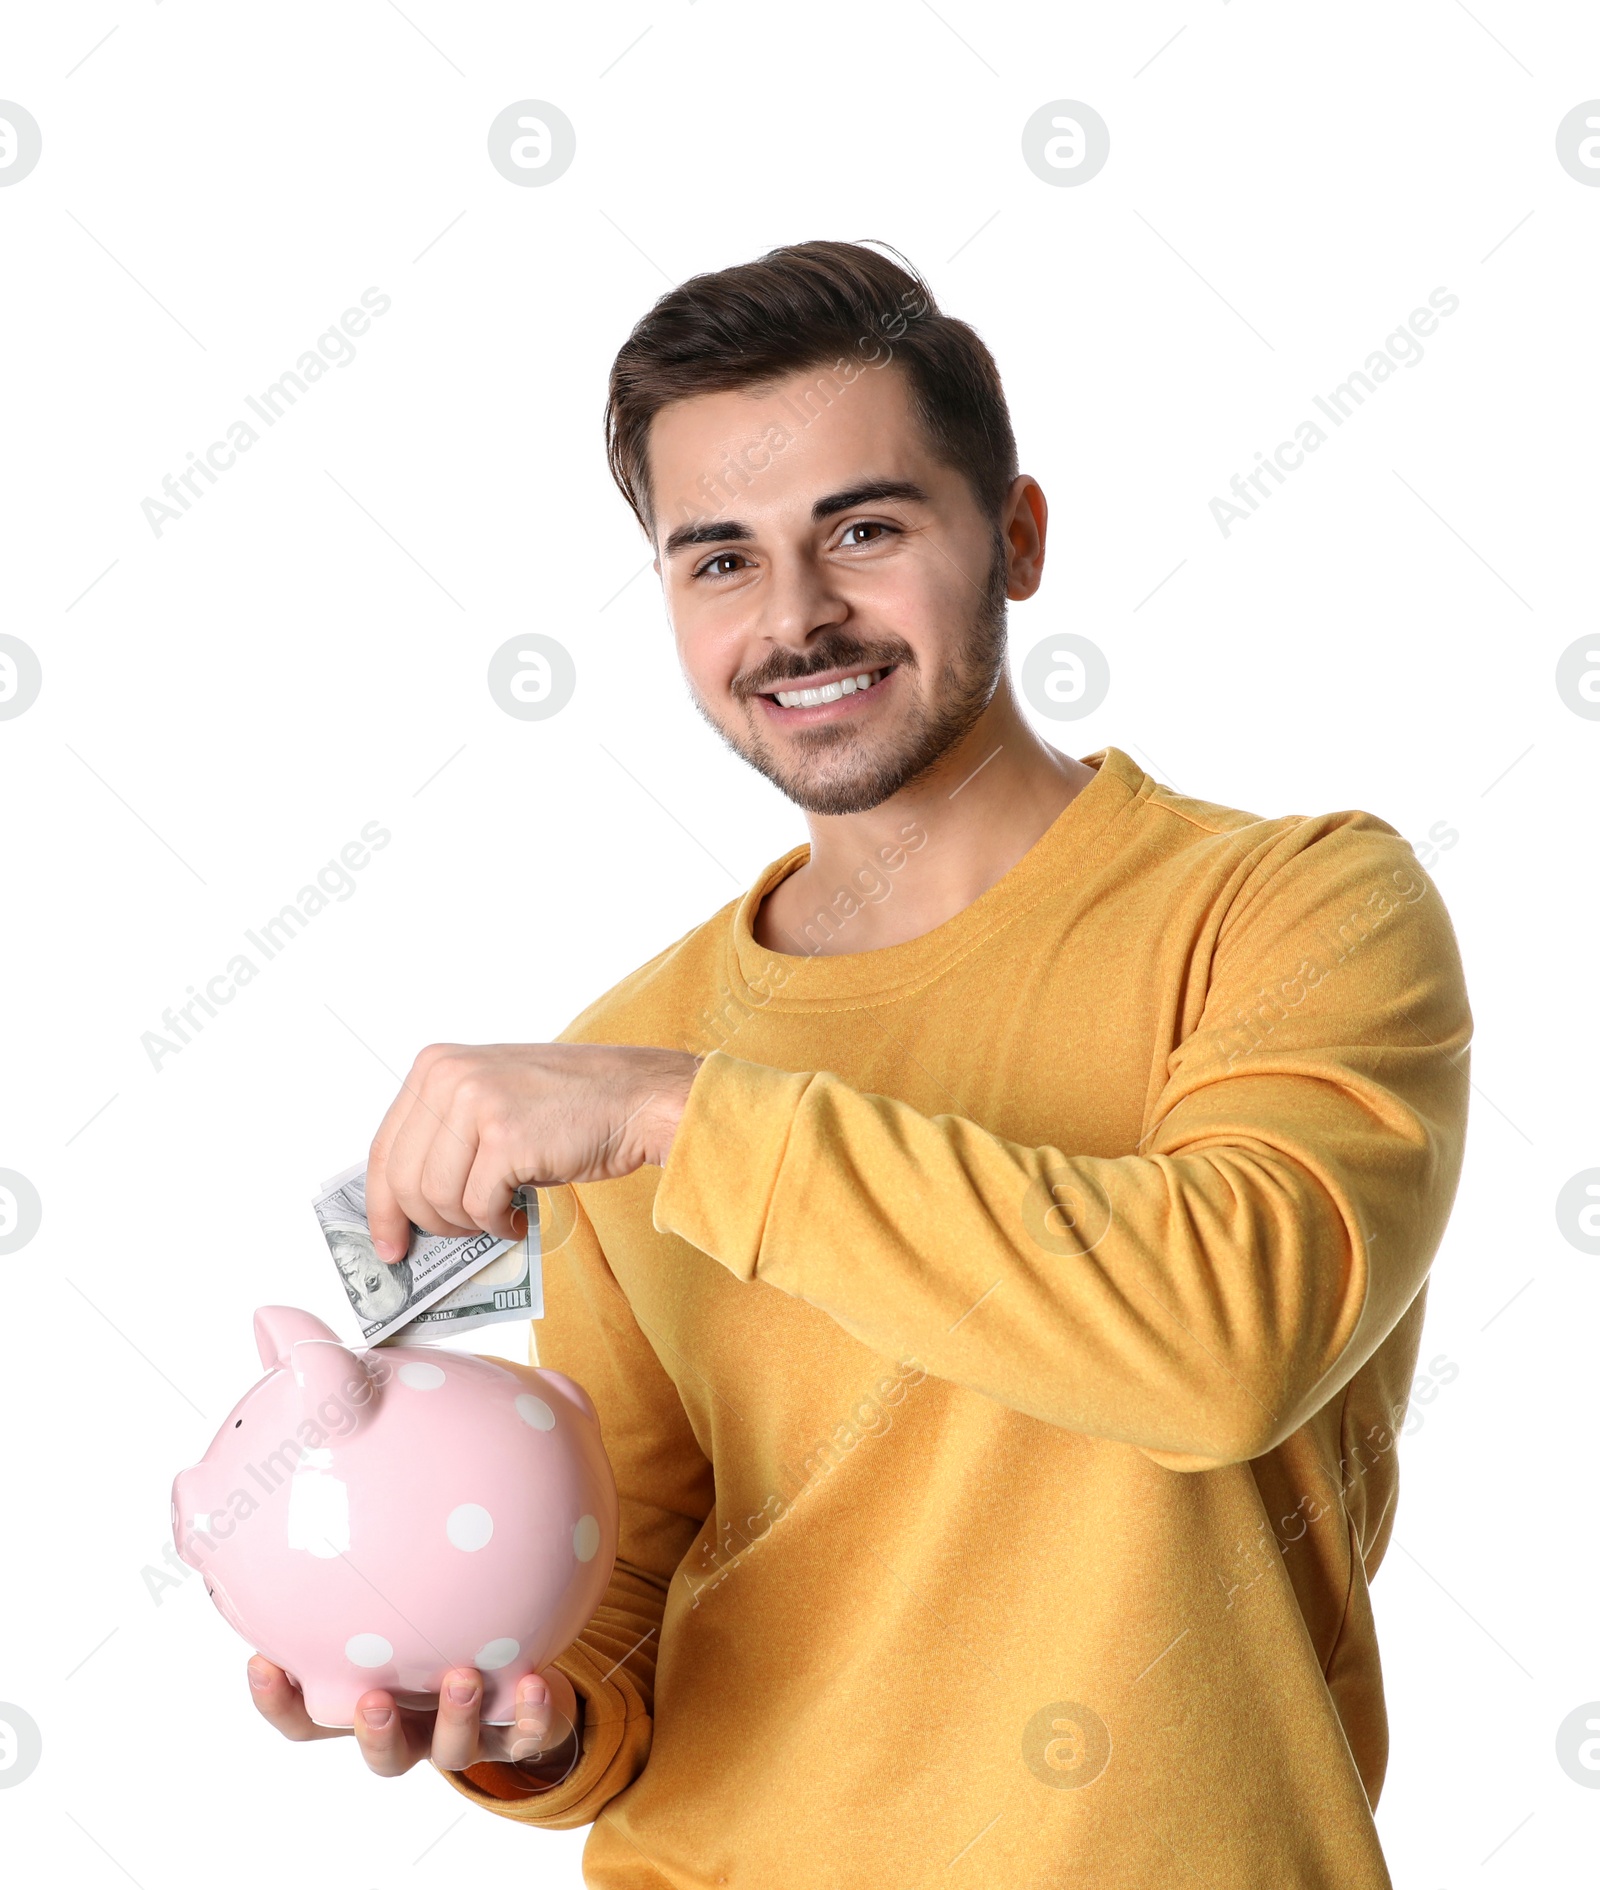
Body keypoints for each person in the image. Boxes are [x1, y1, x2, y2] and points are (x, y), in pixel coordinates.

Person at [249, 240, 1472, 1888]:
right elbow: (635, 1566)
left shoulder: (1296, 907)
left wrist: (681, 1112)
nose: (797, 615)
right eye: (719, 561)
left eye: (866, 529)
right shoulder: (639, 1046)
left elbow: (1224, 1339)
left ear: (1017, 538)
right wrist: (529, 1718)